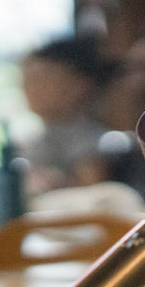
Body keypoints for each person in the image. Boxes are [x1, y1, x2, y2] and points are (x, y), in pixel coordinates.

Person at [18, 35, 113, 197]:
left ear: (79, 85)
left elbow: (93, 189)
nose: (29, 89)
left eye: (41, 80)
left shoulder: (90, 137)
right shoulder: (30, 138)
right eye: (27, 80)